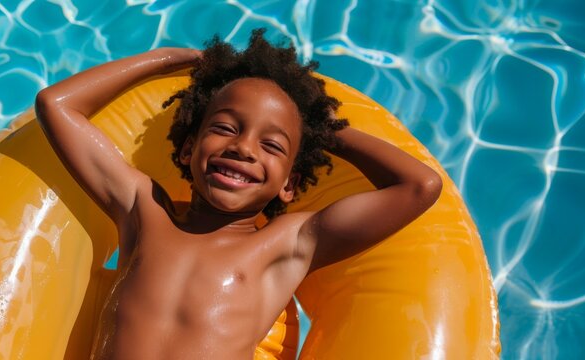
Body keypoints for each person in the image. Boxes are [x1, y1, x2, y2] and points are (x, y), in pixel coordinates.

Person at [35, 29, 442, 359]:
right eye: (226, 128)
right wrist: (163, 61)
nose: (243, 148)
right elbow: (56, 105)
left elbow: (420, 186)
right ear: (188, 148)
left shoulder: (290, 243)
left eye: (272, 145)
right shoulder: (144, 209)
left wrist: (322, 130)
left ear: (289, 184)